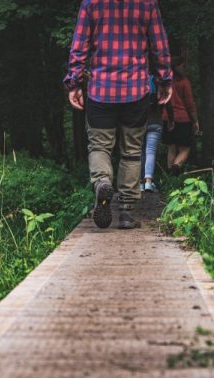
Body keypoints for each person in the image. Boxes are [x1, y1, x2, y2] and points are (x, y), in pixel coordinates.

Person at [64, 0, 172, 229]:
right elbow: (159, 46)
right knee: (132, 152)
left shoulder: (91, 3)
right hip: (136, 92)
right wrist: (165, 79)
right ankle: (125, 212)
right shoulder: (147, 4)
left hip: (100, 91)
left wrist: (74, 83)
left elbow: (79, 46)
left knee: (99, 147)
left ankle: (102, 182)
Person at [163, 56, 199, 176]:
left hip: (167, 118)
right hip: (183, 119)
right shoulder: (184, 82)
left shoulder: (166, 81)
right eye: (183, 65)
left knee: (171, 148)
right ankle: (175, 168)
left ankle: (169, 179)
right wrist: (195, 121)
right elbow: (190, 104)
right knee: (185, 149)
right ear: (179, 66)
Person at [141, 75, 174, 192]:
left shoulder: (138, 80)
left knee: (141, 152)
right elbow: (169, 104)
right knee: (151, 151)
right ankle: (149, 182)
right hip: (156, 122)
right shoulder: (160, 83)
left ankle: (140, 183)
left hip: (140, 122)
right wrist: (171, 120)